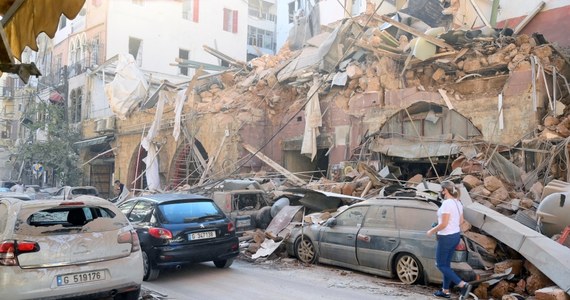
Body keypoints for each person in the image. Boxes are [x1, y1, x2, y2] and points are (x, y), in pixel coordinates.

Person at [427, 180, 470, 298]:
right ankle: (445, 291)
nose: (441, 192)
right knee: (446, 264)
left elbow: (444, 224)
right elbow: (461, 221)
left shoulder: (446, 203)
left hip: (446, 237)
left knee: (440, 264)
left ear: (445, 190)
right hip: (455, 235)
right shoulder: (458, 202)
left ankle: (462, 284)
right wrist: (441, 223)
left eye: (442, 189)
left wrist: (432, 230)